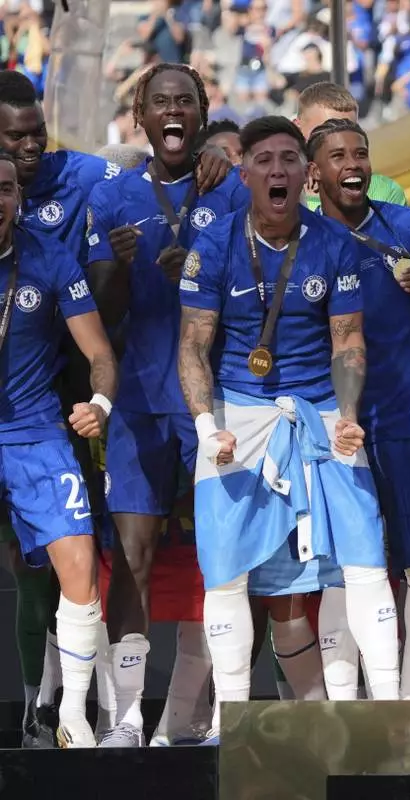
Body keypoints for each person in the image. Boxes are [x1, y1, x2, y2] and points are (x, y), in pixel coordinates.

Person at [177, 117, 400, 743]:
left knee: (364, 553)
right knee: (225, 567)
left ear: (306, 174)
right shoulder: (213, 244)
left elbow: (348, 341)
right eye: (265, 160)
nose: (277, 170)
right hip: (236, 411)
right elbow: (193, 345)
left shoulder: (334, 244)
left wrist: (349, 415)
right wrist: (206, 427)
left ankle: (387, 709)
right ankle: (231, 718)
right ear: (244, 172)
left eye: (289, 160)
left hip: (322, 410)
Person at [87, 63, 247, 748]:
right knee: (132, 554)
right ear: (141, 118)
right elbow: (99, 308)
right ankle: (125, 718)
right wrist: (121, 268)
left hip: (214, 394)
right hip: (139, 396)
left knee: (227, 552)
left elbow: (257, 285)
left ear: (202, 114)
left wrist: (202, 270)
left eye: (186, 101)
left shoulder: (231, 188)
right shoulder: (111, 195)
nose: (173, 111)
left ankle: (219, 714)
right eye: (161, 103)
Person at [308, 117, 410, 700]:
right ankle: (346, 708)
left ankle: (409, 705)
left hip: (409, 418)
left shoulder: (408, 227)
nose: (353, 165)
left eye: (360, 154)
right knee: (345, 571)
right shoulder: (299, 239)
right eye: (338, 156)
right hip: (335, 423)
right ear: (313, 174)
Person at [0, 153, 120, 747]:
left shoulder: (47, 256)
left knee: (78, 561)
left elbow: (99, 353)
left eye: (4, 189)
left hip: (36, 434)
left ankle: (71, 715)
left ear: (18, 197)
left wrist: (99, 404)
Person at [294, 82, 408, 208]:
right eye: (325, 131)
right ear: (297, 129)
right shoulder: (283, 197)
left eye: (349, 131)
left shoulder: (382, 192)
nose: (340, 142)